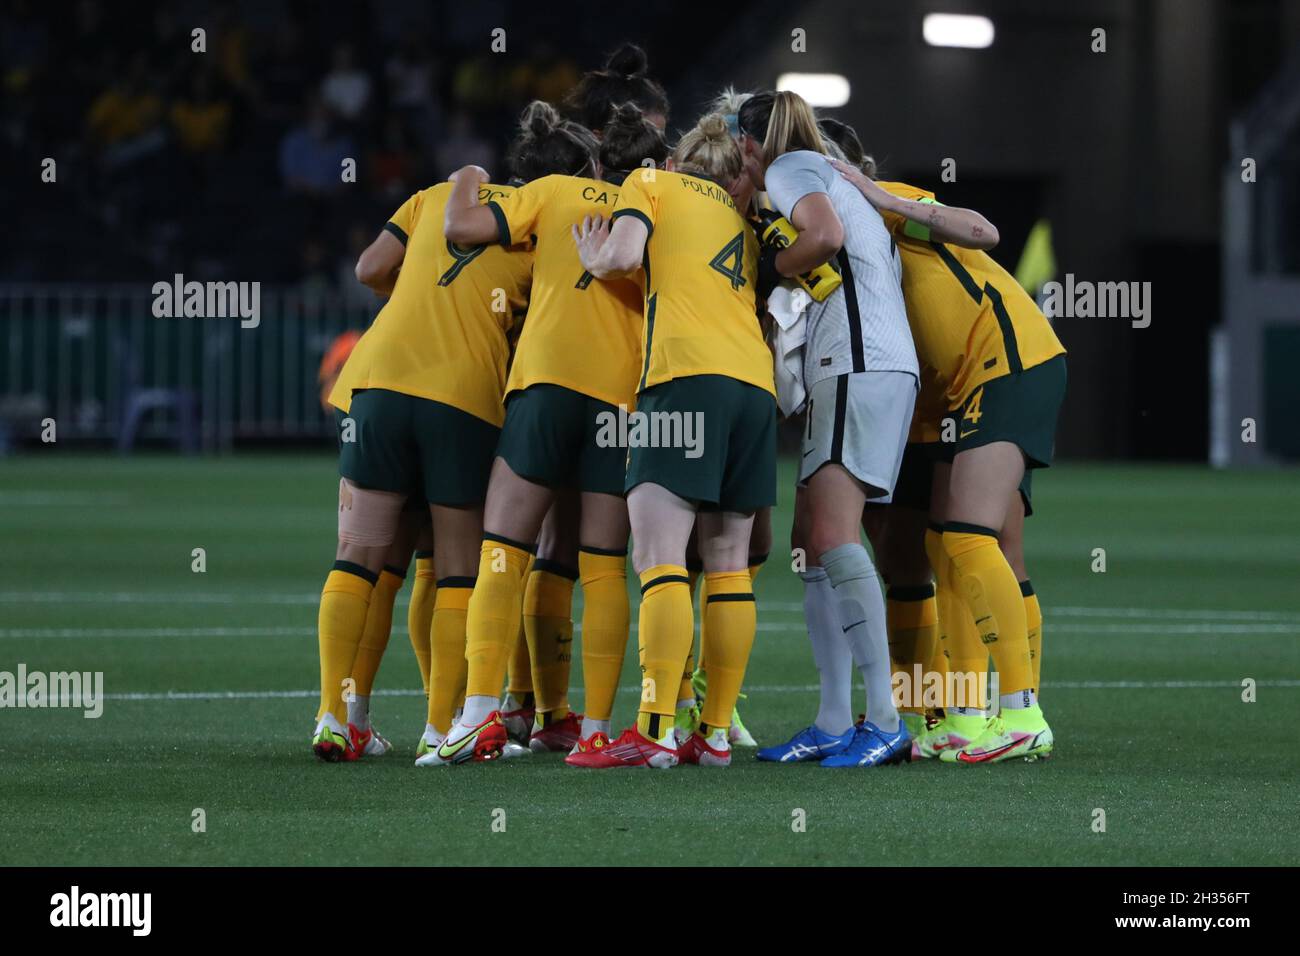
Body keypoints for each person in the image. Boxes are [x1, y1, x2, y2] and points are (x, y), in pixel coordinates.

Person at [826, 121, 1065, 763]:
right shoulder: (833, 243)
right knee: (942, 543)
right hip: (947, 395)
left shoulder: (886, 207)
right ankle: (956, 712)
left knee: (968, 536)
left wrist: (886, 198)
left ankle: (1021, 712)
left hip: (1006, 363)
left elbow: (984, 232)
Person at [309, 120, 539, 764]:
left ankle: (337, 715)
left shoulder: (435, 195)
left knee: (361, 558)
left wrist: (420, 295)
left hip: (378, 382)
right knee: (454, 567)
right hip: (463, 393)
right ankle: (442, 729)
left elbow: (369, 267)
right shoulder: (538, 228)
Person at [430, 101, 648, 765]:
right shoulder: (650, 210)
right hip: (620, 397)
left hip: (547, 381)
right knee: (605, 567)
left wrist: (467, 174)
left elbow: (463, 228)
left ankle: (479, 717)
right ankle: (598, 732)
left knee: (503, 548)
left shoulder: (548, 194)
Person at [568, 113, 777, 769]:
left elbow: (626, 254)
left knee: (659, 561)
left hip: (684, 379)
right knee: (728, 563)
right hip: (754, 387)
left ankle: (655, 729)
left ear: (681, 158)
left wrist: (593, 259)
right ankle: (714, 735)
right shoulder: (744, 226)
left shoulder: (650, 182)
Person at [736, 90, 918, 768]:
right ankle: (835, 719)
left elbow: (824, 239)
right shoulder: (836, 176)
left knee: (835, 538)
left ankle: (885, 719)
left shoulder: (791, 168)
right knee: (811, 544)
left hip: (858, 363)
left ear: (752, 146)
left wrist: (768, 270)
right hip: (861, 365)